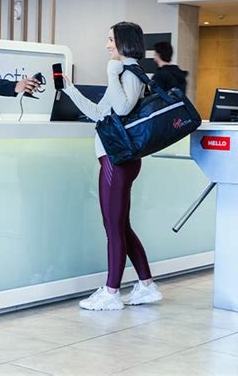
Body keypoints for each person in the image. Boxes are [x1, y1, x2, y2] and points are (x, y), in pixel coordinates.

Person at [63, 21, 162, 311]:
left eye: (111, 40)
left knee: (113, 226)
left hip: (115, 161)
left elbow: (122, 108)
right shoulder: (124, 72)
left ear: (124, 42)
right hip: (118, 160)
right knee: (120, 225)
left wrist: (111, 72)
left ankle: (111, 292)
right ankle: (146, 285)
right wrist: (70, 90)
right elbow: (100, 113)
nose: (107, 45)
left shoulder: (127, 72)